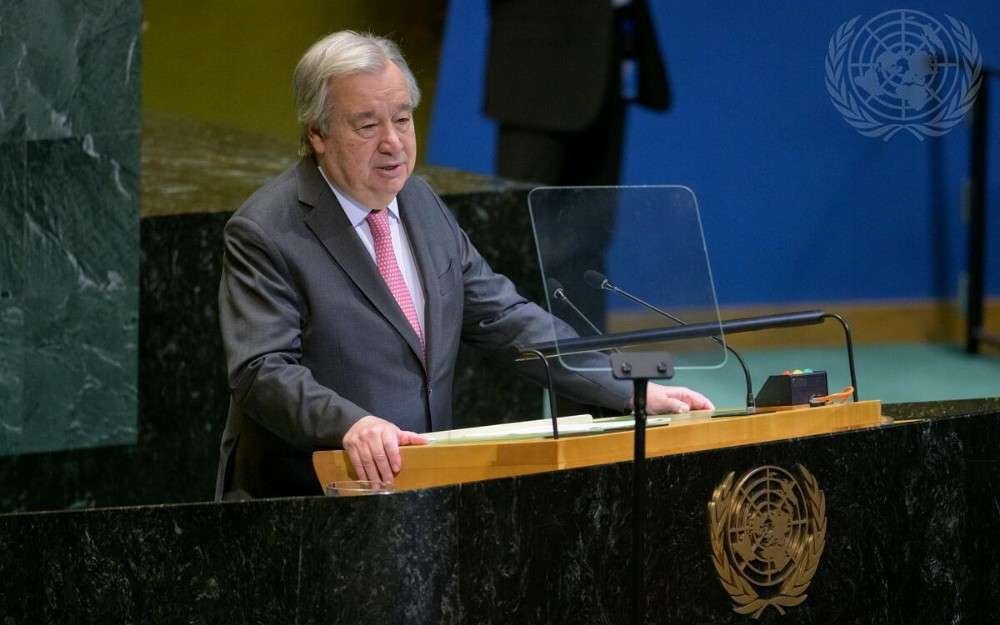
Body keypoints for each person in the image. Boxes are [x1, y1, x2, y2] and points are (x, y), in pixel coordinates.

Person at [215, 31, 711, 500]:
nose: (392, 142)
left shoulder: (420, 202)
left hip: (419, 490)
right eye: (367, 125)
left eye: (403, 119)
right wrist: (349, 424)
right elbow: (263, 370)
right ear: (318, 134)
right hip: (306, 502)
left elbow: (504, 317)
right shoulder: (266, 231)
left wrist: (623, 385)